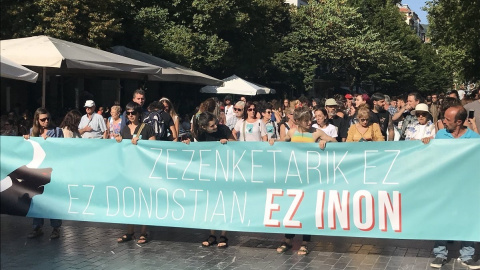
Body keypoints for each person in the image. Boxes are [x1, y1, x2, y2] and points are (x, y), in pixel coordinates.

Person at [423, 106, 480, 269]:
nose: (443, 121)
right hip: (444, 187)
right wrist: (427, 143)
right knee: (442, 218)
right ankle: (440, 254)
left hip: (465, 188)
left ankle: (467, 256)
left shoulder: (474, 139)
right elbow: (433, 155)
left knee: (467, 219)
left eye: (447, 119)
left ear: (459, 122)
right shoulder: (441, 135)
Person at [275, 107, 336, 255]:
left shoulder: (315, 133)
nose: (310, 122)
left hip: (310, 179)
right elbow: (281, 144)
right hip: (294, 177)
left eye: (311, 119)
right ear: (297, 121)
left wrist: (325, 142)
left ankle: (305, 242)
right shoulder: (292, 132)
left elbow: (334, 141)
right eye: (306, 120)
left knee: (308, 209)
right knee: (291, 208)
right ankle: (288, 239)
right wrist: (273, 141)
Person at [183, 112, 235, 248]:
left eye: (215, 123)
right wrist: (187, 143)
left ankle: (224, 234)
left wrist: (227, 143)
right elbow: (196, 147)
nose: (215, 126)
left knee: (224, 202)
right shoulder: (200, 134)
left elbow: (236, 144)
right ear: (204, 127)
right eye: (212, 126)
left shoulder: (223, 129)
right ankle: (212, 234)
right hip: (209, 172)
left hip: (225, 170)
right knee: (211, 203)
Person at [115, 102, 155, 245]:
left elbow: (154, 147)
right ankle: (130, 231)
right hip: (129, 170)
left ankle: (143, 232)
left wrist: (141, 143)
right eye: (128, 113)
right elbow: (121, 151)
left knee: (143, 202)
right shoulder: (124, 129)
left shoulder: (147, 128)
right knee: (130, 201)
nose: (131, 115)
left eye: (133, 113)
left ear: (139, 113)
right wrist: (118, 141)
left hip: (143, 170)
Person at [23, 108, 63, 239]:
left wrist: (50, 142)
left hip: (52, 170)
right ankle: (37, 227)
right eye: (43, 119)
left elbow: (63, 149)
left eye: (48, 119)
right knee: (36, 199)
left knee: (52, 200)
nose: (46, 121)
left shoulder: (57, 131)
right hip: (37, 171)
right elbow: (29, 151)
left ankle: (56, 228)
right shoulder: (32, 132)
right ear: (37, 120)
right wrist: (27, 140)